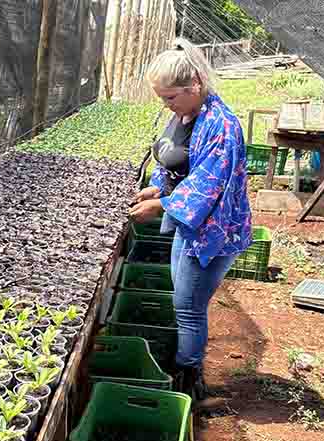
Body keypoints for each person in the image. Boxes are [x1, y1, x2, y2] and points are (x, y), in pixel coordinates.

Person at [128, 38, 253, 401]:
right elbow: (173, 159)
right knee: (184, 300)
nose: (166, 105)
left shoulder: (222, 127)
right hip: (190, 226)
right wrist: (156, 188)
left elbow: (207, 186)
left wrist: (163, 206)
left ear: (194, 85)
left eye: (169, 97)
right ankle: (185, 368)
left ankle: (189, 382)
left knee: (188, 306)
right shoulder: (186, 114)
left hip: (212, 232)